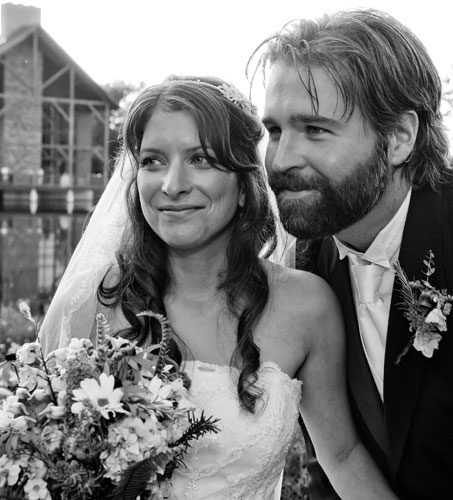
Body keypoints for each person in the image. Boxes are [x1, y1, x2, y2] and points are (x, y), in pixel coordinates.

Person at [39, 76, 397, 500]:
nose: (172, 185)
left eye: (201, 159)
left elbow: (342, 455)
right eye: (153, 161)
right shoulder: (89, 305)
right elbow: (39, 463)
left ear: (245, 185)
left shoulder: (307, 307)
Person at [254, 7, 453, 500]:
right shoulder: (304, 265)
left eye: (315, 129)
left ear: (399, 137)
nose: (280, 160)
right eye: (275, 131)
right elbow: (335, 458)